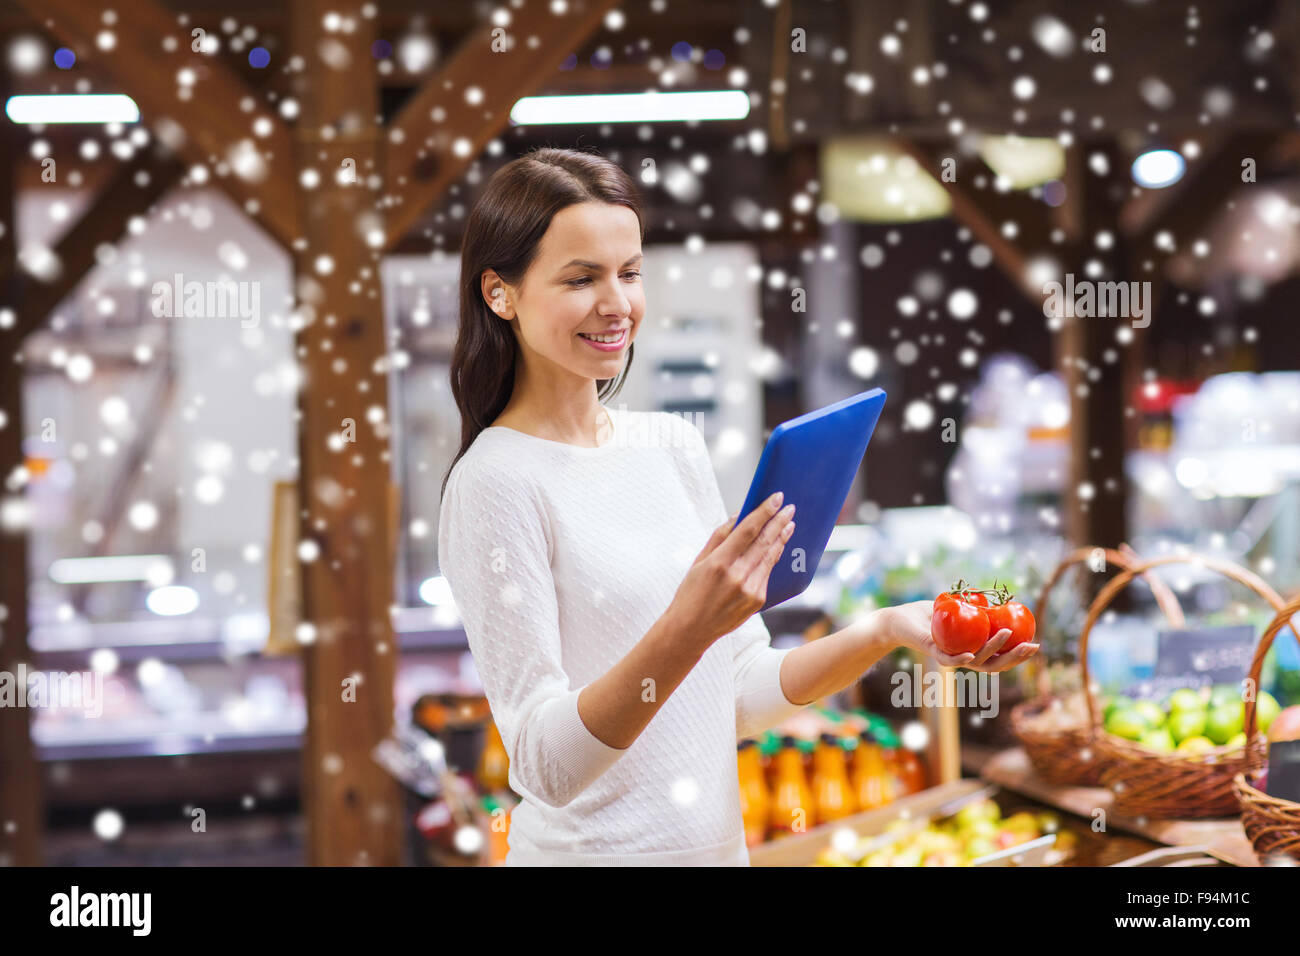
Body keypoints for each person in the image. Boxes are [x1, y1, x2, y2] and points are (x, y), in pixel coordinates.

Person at [436, 146, 1038, 866]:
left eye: (629, 273)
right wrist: (689, 624)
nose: (617, 304)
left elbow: (742, 694)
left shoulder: (669, 447)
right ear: (499, 294)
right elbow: (542, 767)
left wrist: (886, 631)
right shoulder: (496, 482)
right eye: (580, 278)